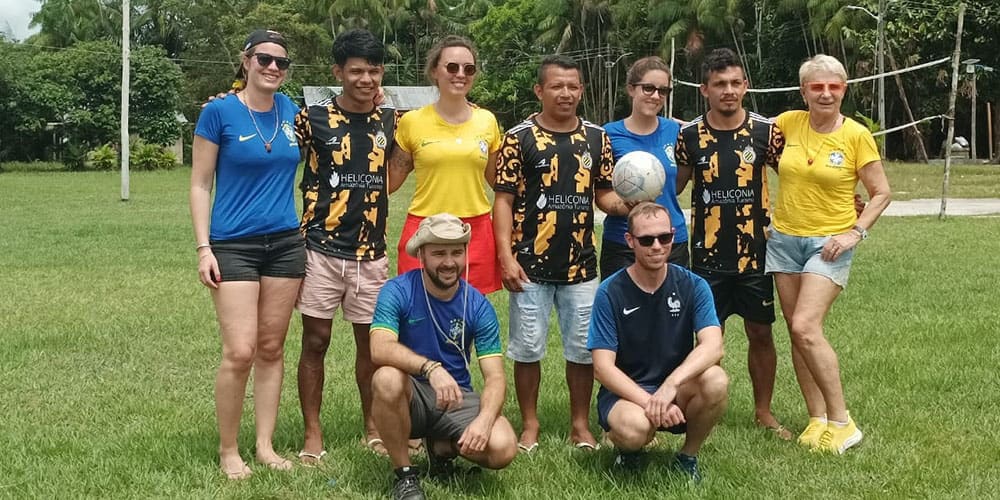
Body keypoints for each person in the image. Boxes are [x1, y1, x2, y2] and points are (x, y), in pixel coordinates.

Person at [493, 55, 632, 452]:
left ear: (582, 90)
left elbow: (603, 194)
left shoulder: (596, 138)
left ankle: (580, 425)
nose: (566, 93)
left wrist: (628, 205)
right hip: (529, 265)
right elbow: (503, 200)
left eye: (573, 86)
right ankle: (530, 424)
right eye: (557, 86)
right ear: (540, 90)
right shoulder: (518, 138)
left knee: (583, 349)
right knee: (527, 349)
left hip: (581, 265)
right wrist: (506, 256)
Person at [190, 29, 303, 479]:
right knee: (240, 350)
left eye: (281, 62)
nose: (273, 67)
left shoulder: (291, 110)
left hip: (285, 244)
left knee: (272, 349)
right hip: (232, 245)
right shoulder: (218, 112)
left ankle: (265, 446)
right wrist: (203, 248)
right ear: (246, 61)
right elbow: (200, 184)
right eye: (264, 59)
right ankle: (229, 449)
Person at [768, 54, 891, 454]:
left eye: (833, 86)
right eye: (817, 87)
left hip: (828, 244)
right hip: (784, 240)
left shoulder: (856, 135)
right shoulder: (787, 123)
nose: (825, 94)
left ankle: (842, 422)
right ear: (803, 91)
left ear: (844, 90)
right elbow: (743, 137)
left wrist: (855, 232)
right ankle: (816, 418)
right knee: (796, 331)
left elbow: (881, 193)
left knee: (806, 326)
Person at [293, 29, 401, 463]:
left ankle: (373, 427)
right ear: (338, 72)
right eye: (356, 71)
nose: (366, 79)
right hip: (320, 249)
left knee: (370, 346)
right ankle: (312, 433)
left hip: (371, 253)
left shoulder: (392, 120)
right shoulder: (311, 118)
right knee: (315, 341)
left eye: (374, 71)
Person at [674, 48, 790, 439]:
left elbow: (793, 177)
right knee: (709, 338)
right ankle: (706, 406)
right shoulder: (689, 135)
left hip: (756, 255)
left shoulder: (766, 132)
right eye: (719, 84)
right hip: (707, 258)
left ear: (746, 86)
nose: (728, 90)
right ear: (704, 89)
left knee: (761, 333)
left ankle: (763, 411)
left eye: (735, 83)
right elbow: (676, 186)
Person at [369, 213, 517, 500]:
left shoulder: (478, 305)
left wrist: (485, 420)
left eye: (456, 253)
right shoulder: (397, 291)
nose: (449, 262)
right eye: (439, 253)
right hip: (412, 394)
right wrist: (430, 368)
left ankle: (442, 447)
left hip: (456, 397)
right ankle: (405, 476)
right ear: (421, 255)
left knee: (503, 448)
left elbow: (496, 377)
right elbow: (379, 347)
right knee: (386, 378)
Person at [589, 202, 728, 482]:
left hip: (677, 388)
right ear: (630, 241)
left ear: (673, 236)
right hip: (627, 393)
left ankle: (687, 457)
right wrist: (653, 402)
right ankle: (628, 451)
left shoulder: (693, 285)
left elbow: (714, 346)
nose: (657, 246)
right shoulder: (609, 292)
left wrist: (671, 385)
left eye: (664, 238)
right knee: (634, 430)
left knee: (716, 380)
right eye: (646, 240)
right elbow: (602, 368)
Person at [388, 35, 503, 294]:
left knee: (470, 311)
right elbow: (389, 182)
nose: (460, 74)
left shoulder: (487, 121)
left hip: (475, 231)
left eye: (468, 69)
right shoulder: (412, 121)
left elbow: (499, 182)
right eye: (452, 67)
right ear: (434, 71)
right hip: (425, 229)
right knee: (419, 309)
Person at [601, 56, 689, 278]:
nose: (656, 96)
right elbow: (600, 192)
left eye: (663, 91)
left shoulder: (676, 132)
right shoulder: (607, 134)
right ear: (631, 89)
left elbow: (676, 185)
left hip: (670, 239)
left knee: (674, 301)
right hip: (623, 241)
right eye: (648, 88)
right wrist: (625, 207)